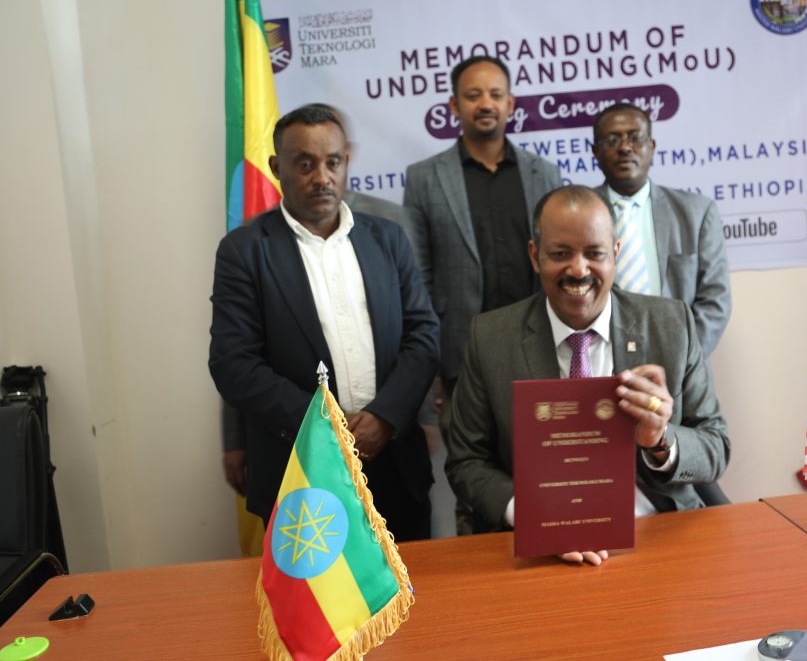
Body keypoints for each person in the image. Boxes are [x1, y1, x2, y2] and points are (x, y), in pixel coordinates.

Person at [445, 185, 729, 565]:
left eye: (594, 253)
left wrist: (660, 440)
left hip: (654, 534)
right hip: (540, 549)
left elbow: (715, 445)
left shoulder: (671, 325)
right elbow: (466, 461)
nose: (578, 270)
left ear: (615, 253)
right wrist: (532, 516)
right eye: (561, 254)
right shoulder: (491, 339)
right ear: (535, 256)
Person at [209, 104, 440, 542]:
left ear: (346, 162)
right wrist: (326, 425)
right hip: (301, 474)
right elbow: (233, 364)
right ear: (277, 168)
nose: (322, 177)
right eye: (305, 165)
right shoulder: (245, 251)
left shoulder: (388, 238)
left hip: (393, 463)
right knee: (316, 591)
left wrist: (385, 417)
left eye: (333, 162)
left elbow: (423, 336)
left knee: (411, 584)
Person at [404, 55, 562, 402]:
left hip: (539, 346)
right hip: (459, 353)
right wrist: (432, 360)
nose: (486, 104)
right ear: (454, 106)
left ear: (510, 104)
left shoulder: (545, 174)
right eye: (473, 95)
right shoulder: (424, 178)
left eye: (495, 94)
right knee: (466, 440)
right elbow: (418, 278)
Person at [592, 103, 732, 356]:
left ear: (652, 147)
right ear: (595, 152)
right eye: (612, 140)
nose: (625, 147)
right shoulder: (579, 216)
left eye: (636, 138)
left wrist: (682, 361)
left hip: (682, 363)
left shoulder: (697, 212)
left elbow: (715, 301)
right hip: (600, 362)